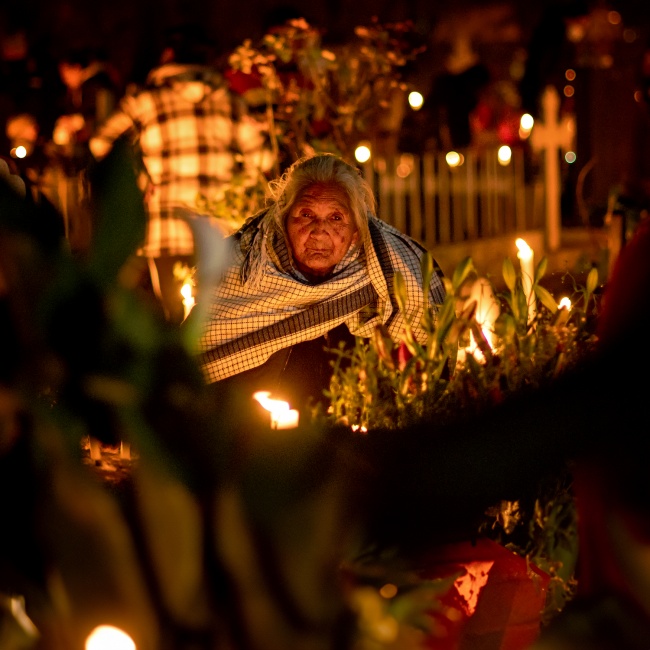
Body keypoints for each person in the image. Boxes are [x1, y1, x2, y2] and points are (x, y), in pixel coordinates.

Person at [195, 153, 447, 411]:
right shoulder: (244, 270)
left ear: (355, 231)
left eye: (336, 218)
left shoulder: (384, 272)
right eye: (306, 214)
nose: (319, 230)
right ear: (284, 220)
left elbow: (428, 347)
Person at [89, 25, 274, 325]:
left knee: (175, 317)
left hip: (166, 225)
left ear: (170, 56)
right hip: (222, 227)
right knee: (217, 316)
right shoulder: (231, 102)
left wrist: (139, 179)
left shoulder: (146, 101)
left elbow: (100, 143)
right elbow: (263, 158)